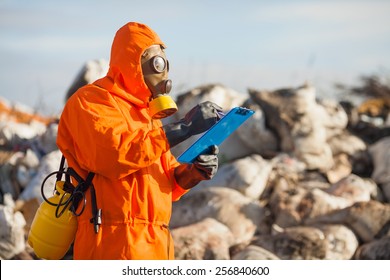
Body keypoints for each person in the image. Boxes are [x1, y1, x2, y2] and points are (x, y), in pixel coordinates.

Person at [56, 21, 222, 260]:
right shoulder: (90, 102)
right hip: (110, 243)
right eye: (157, 63)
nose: (163, 72)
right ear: (133, 62)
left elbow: (167, 182)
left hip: (156, 244)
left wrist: (195, 171)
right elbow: (113, 156)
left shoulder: (147, 115)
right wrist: (184, 128)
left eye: (164, 63)